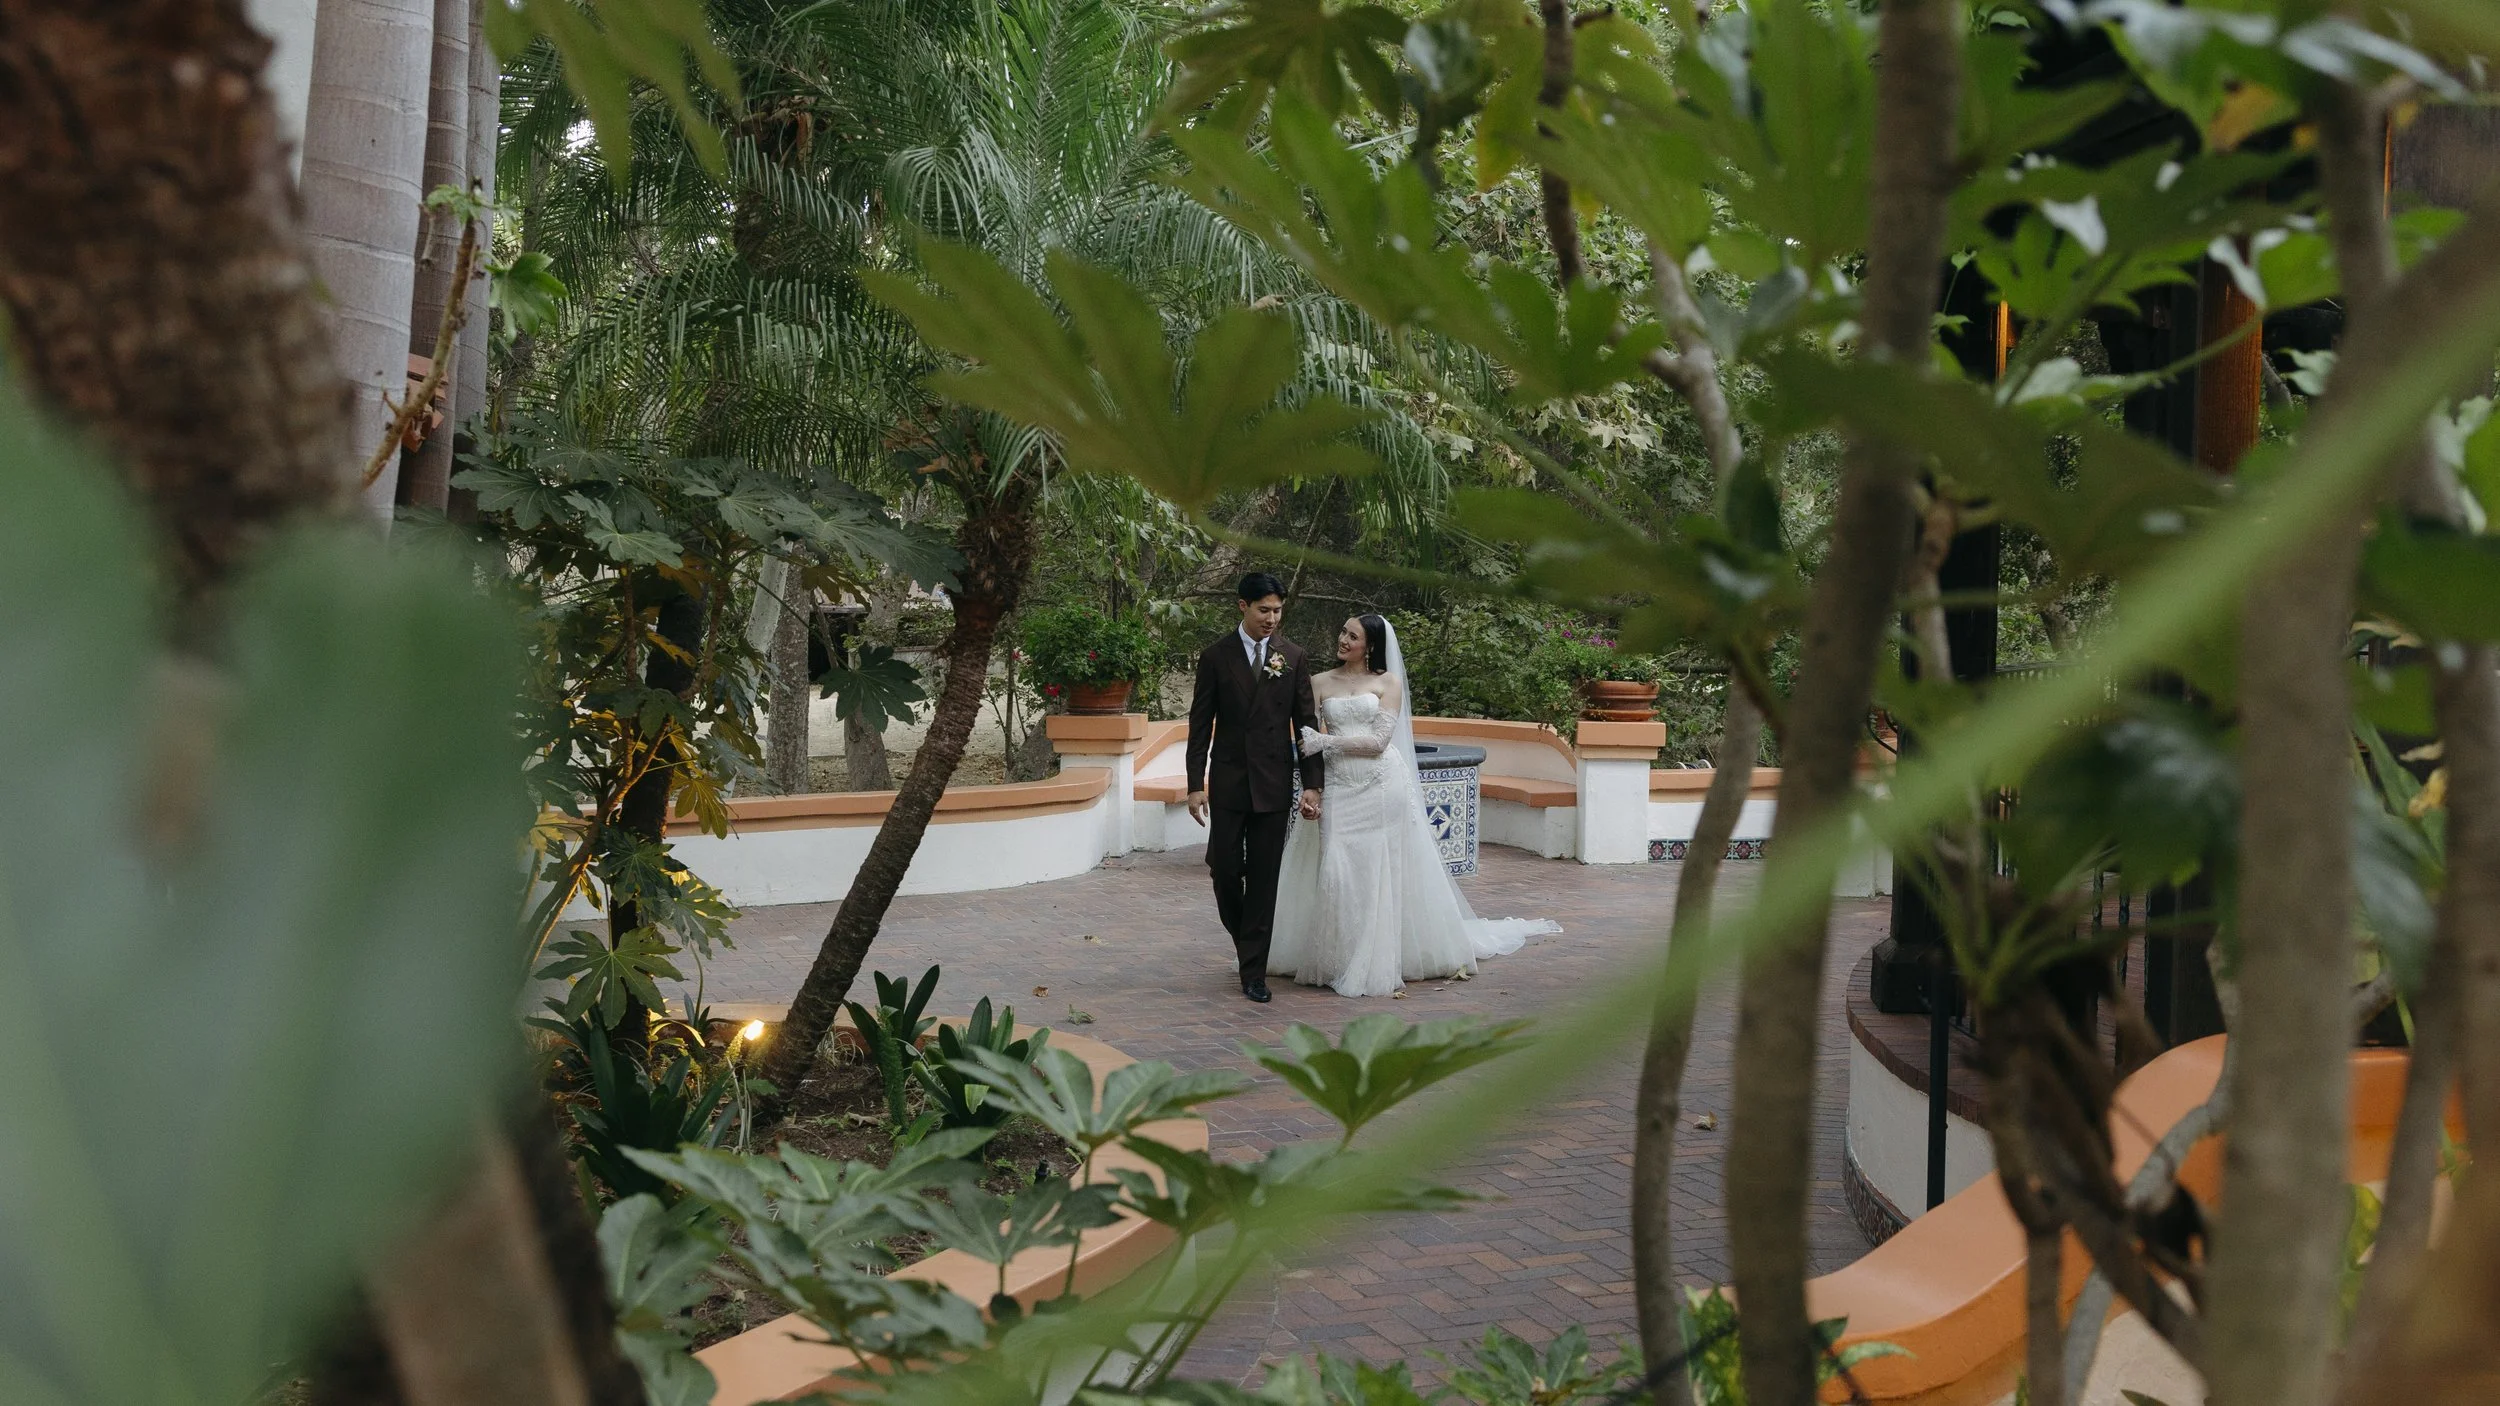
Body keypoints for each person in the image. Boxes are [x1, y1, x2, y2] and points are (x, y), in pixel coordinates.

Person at [1268, 614, 1559, 997]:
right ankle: (1334, 956)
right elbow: (1302, 730)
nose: (1343, 639)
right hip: (1339, 785)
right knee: (1336, 865)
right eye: (1342, 632)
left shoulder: (1388, 683)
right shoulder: (1319, 682)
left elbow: (1377, 742)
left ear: (1369, 645)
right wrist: (1314, 783)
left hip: (1380, 785)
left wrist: (1327, 743)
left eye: (1352, 636)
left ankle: (1373, 957)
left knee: (1377, 869)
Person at [1185, 572, 1323, 1004]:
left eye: (1277, 610)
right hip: (1227, 781)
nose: (1271, 618)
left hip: (1273, 784)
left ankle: (1254, 972)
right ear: (1242, 606)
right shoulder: (1215, 656)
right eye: (1264, 609)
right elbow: (1199, 725)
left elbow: (1306, 725)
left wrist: (1312, 784)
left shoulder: (1293, 657)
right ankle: (1250, 942)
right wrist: (1194, 785)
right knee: (1224, 870)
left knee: (1264, 879)